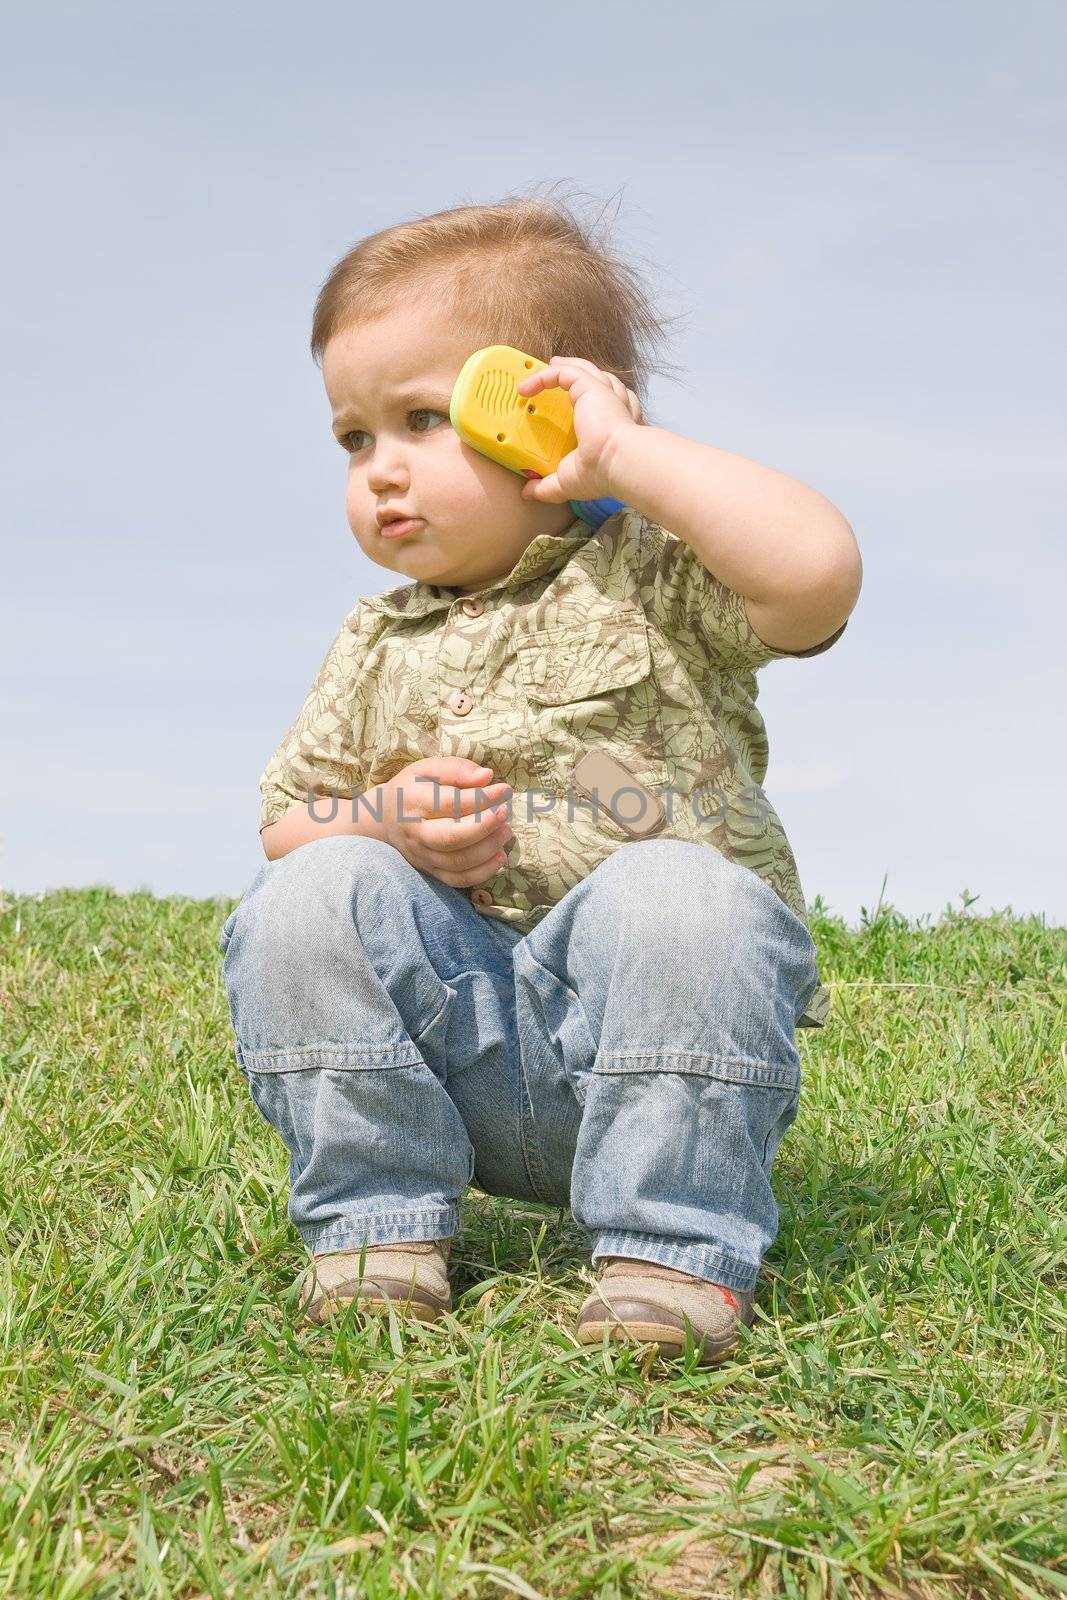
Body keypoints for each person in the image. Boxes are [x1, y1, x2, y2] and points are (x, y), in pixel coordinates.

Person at [218, 191, 862, 1367]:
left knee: (682, 890)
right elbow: (283, 824)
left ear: (535, 417)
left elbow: (815, 573)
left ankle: (666, 1250)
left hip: (647, 1052)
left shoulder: (654, 576)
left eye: (420, 419)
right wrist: (378, 827)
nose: (380, 473)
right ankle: (376, 1229)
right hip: (438, 1052)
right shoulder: (374, 639)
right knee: (310, 890)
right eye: (354, 438)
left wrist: (624, 457)